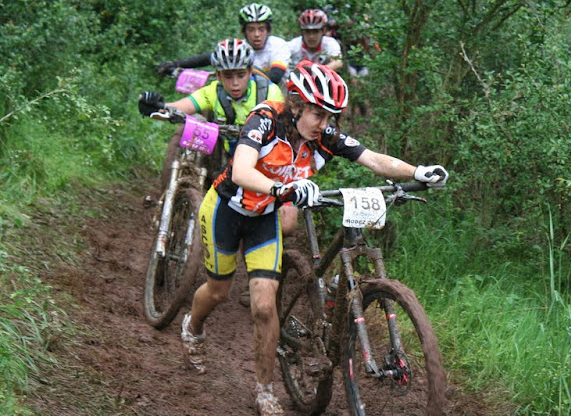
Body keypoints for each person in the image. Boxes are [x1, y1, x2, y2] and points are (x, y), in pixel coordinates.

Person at [179, 61, 449, 415]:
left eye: (331, 116)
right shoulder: (265, 119)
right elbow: (242, 170)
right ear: (296, 105)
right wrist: (284, 188)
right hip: (225, 209)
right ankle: (193, 327)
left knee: (264, 306)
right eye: (318, 114)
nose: (325, 123)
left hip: (264, 218)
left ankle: (265, 390)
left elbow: (374, 160)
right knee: (218, 291)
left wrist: (418, 171)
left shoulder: (326, 136)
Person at [140, 38, 283, 157]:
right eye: (228, 76)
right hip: (233, 157)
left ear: (250, 72)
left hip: (268, 157)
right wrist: (155, 106)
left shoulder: (270, 93)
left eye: (241, 75)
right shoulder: (213, 91)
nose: (235, 83)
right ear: (218, 75)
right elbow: (181, 107)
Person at [155, 3, 291, 85]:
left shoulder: (279, 46)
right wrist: (177, 64)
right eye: (251, 29)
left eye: (261, 29)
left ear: (268, 31)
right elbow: (209, 58)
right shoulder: (241, 47)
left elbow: (275, 76)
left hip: (277, 94)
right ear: (243, 32)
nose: (256, 34)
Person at [287, 8, 343, 73]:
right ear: (302, 32)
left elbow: (338, 62)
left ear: (323, 31)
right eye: (307, 31)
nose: (311, 36)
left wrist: (315, 71)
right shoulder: (294, 44)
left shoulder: (330, 43)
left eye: (315, 31)